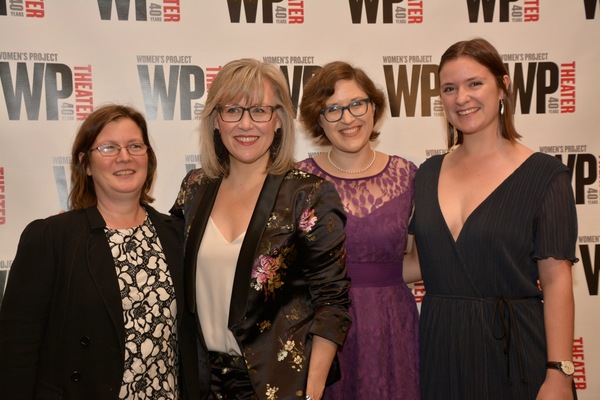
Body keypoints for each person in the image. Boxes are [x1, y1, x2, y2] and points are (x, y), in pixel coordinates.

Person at [404, 38, 578, 399]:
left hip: (514, 356)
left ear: (503, 85)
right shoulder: (428, 172)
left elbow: (558, 281)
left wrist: (559, 374)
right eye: (449, 88)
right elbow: (420, 264)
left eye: (474, 83)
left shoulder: (546, 176)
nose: (461, 98)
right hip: (441, 351)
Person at [169, 58, 351, 400]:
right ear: (215, 121)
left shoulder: (307, 194)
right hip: (202, 384)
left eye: (259, 111)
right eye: (233, 110)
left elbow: (333, 303)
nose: (245, 124)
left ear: (279, 120)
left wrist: (310, 392)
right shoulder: (194, 187)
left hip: (280, 386)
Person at [0, 104, 200, 399]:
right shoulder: (51, 238)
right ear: (86, 163)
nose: (124, 156)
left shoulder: (178, 235)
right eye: (108, 148)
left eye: (135, 146)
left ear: (148, 159)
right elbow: (16, 351)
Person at [297, 61, 420, 399]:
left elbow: (417, 262)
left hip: (391, 327)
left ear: (373, 106)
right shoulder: (297, 182)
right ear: (318, 121)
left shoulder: (408, 176)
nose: (347, 118)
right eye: (332, 109)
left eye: (356, 104)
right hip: (322, 331)